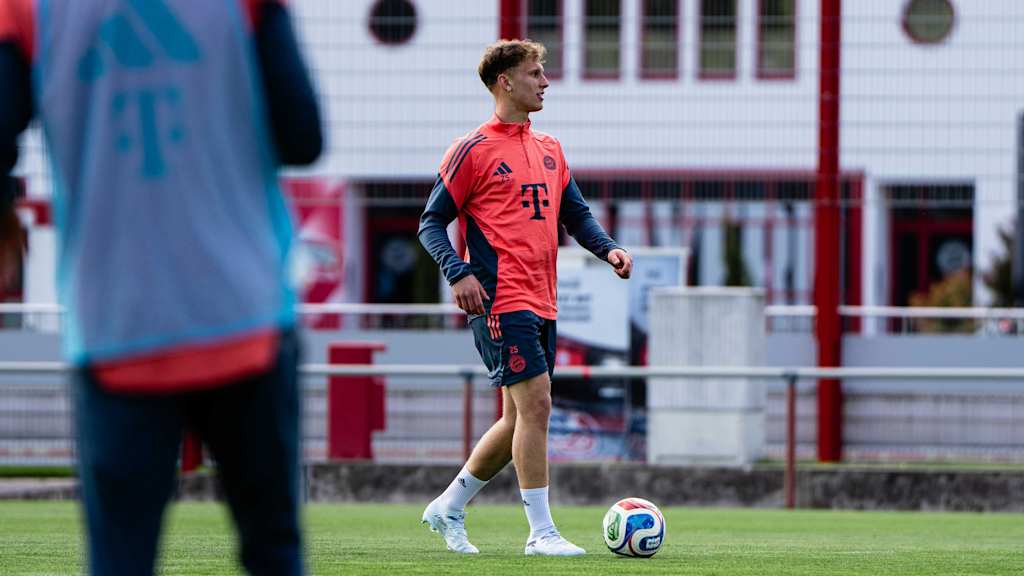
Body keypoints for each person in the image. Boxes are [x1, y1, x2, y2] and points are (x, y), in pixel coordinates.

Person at [0, 0, 322, 574]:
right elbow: (303, 136)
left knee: (120, 559)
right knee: (272, 549)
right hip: (244, 311)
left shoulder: (25, 9)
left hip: (115, 322)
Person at [418, 39, 632, 557]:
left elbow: (575, 215)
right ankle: (541, 533)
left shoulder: (551, 148)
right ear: (505, 81)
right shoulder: (472, 149)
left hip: (543, 300)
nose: (545, 81)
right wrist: (458, 273)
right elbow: (431, 223)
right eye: (535, 73)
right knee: (537, 405)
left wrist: (608, 248)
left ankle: (448, 506)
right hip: (499, 300)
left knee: (518, 418)